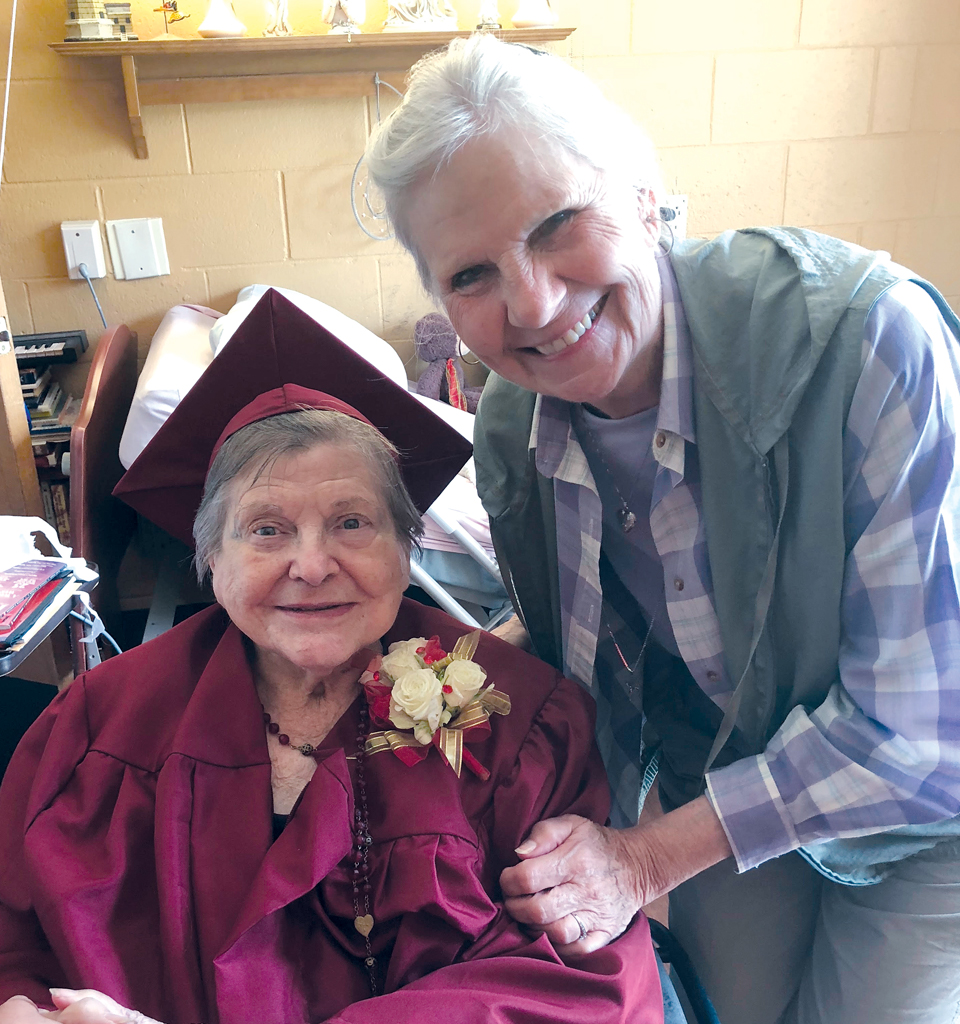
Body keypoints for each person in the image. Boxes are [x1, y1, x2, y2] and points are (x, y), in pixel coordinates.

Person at [363, 33, 960, 1024]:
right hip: (730, 769)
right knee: (720, 1007)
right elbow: (584, 634)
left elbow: (921, 728)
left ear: (647, 196)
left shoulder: (870, 342)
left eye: (558, 223)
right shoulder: (512, 420)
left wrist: (641, 857)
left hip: (928, 802)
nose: (535, 305)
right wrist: (428, 689)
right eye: (470, 275)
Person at [0, 294, 663, 1024]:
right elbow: (3, 942)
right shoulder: (100, 722)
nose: (311, 566)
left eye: (352, 521)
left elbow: (583, 981)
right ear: (209, 561)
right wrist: (13, 1012)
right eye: (266, 530)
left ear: (404, 547)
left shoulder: (520, 724)